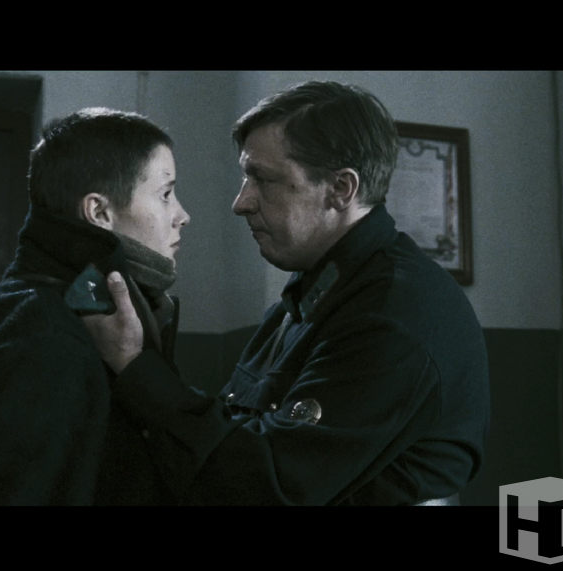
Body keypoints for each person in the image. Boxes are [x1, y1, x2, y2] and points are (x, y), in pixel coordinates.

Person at [84, 81, 490, 505]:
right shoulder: (312, 295)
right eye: (246, 177)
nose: (241, 202)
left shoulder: (393, 311)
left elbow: (267, 483)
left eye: (263, 179)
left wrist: (136, 367)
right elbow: (234, 437)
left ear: (341, 189)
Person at [0, 108, 189, 505]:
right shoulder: (43, 331)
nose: (182, 216)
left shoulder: (84, 310)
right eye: (166, 194)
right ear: (99, 212)